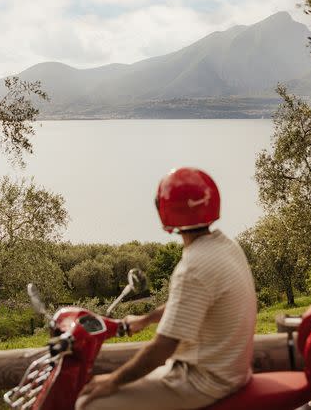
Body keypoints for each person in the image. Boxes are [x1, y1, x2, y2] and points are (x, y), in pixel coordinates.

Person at [76, 167, 257, 410]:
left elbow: (162, 349)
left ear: (165, 212)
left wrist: (112, 380)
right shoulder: (227, 247)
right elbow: (186, 303)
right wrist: (146, 319)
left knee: (89, 404)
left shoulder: (193, 266)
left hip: (202, 381)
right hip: (228, 371)